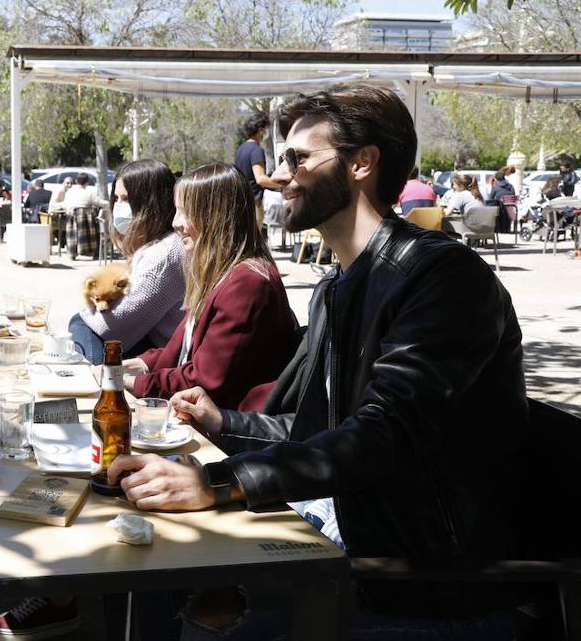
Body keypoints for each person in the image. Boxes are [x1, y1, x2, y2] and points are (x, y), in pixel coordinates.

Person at [109, 85, 528, 639]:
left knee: (182, 606)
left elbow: (385, 436)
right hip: (344, 541)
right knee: (141, 563)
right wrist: (222, 423)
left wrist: (220, 481)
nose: (280, 177)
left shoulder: (441, 280)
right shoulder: (338, 287)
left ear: (362, 163)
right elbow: (317, 430)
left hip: (425, 588)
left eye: (299, 159)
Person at [122, 163, 297, 410]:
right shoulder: (223, 273)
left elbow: (206, 380)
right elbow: (176, 350)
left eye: (186, 212)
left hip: (229, 428)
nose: (175, 222)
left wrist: (132, 383)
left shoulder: (248, 282)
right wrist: (130, 366)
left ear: (216, 217)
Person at [69, 159, 186, 363]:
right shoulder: (158, 245)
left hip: (163, 356)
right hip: (152, 344)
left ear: (151, 203)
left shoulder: (164, 254)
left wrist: (81, 317)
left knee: (79, 324)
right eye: (116, 198)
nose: (118, 207)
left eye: (126, 199)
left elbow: (113, 326)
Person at [232, 112, 282, 228]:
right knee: (255, 235)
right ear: (260, 130)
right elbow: (260, 179)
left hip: (242, 199)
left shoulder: (241, 149)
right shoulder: (256, 150)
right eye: (265, 130)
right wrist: (281, 184)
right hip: (254, 202)